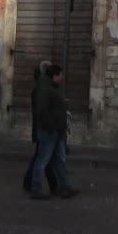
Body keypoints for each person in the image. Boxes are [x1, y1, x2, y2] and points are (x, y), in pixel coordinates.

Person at [28, 63, 78, 201]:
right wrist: (50, 127)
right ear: (55, 76)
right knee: (43, 160)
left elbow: (52, 105)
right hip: (49, 131)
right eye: (61, 75)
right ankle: (36, 188)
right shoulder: (44, 88)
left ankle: (65, 187)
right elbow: (42, 110)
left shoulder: (52, 87)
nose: (62, 77)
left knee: (60, 159)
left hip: (57, 130)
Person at [22, 59, 60, 196]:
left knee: (42, 157)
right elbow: (42, 110)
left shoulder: (41, 86)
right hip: (43, 128)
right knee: (42, 158)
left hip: (41, 127)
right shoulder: (41, 88)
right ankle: (36, 185)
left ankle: (41, 184)